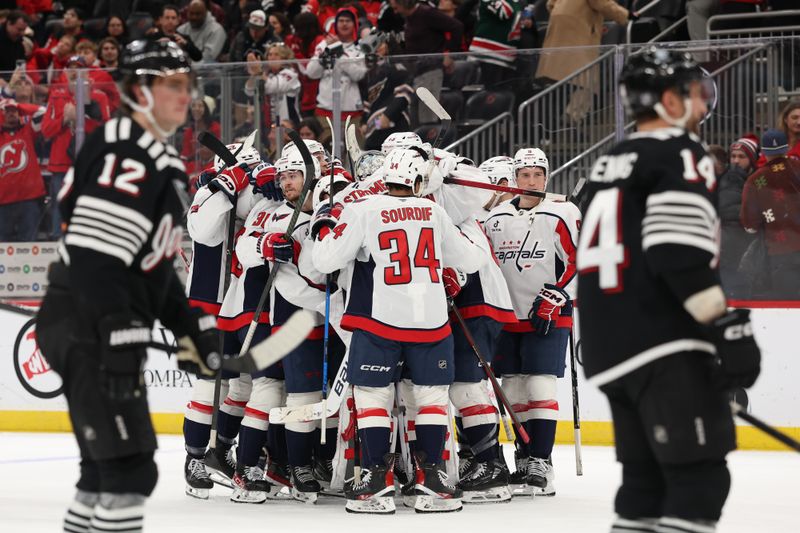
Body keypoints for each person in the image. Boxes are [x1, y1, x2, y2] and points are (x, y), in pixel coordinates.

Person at [35, 39, 222, 533]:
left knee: (103, 471)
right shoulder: (128, 149)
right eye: (172, 85)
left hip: (85, 319)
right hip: (87, 322)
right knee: (129, 467)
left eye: (188, 85)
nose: (186, 97)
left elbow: (152, 267)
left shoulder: (150, 154)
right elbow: (97, 254)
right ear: (140, 91)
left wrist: (191, 328)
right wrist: (116, 327)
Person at [577, 47, 761, 533]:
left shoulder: (609, 161)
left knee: (644, 487)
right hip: (663, 344)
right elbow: (677, 254)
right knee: (698, 483)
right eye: (693, 94)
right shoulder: (682, 153)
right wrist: (724, 327)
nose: (702, 106)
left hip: (608, 349)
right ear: (667, 101)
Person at [312, 147, 487, 514]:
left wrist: (324, 225)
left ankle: (377, 480)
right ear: (418, 180)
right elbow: (472, 259)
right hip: (431, 323)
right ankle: (433, 480)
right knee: (430, 400)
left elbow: (324, 260)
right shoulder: (435, 211)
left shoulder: (363, 210)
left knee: (374, 399)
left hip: (380, 322)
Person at [484, 147, 580, 497]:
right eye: (524, 175)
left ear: (547, 176)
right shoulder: (495, 220)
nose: (531, 181)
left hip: (549, 315)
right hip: (508, 317)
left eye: (538, 174)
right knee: (513, 391)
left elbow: (578, 260)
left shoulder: (561, 214)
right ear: (515, 179)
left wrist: (557, 296)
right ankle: (523, 457)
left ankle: (542, 461)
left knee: (540, 387)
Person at [741, 129, 800, 298]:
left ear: (763, 152)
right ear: (787, 147)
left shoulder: (756, 180)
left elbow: (749, 223)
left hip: (781, 252)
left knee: (787, 307)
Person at [390, 0, 463, 125]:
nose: (394, 10)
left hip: (431, 71)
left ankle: (430, 142)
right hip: (415, 74)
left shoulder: (427, 13)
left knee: (428, 118)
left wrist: (450, 54)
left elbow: (457, 26)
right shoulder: (408, 18)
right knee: (415, 119)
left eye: (396, 6)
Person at [306, 6, 367, 143]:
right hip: (325, 109)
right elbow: (311, 72)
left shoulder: (361, 47)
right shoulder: (324, 44)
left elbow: (358, 74)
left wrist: (338, 51)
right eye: (341, 21)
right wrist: (326, 53)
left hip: (352, 110)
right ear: (335, 24)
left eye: (348, 21)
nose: (344, 24)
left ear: (355, 24)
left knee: (353, 153)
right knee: (325, 151)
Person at [0, 98, 46, 241]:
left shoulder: (28, 130)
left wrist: (19, 106)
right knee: (2, 245)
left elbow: (42, 112)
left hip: (29, 200)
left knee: (29, 243)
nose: (11, 113)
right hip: (3, 201)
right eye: (6, 111)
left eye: (13, 110)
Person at [718, 135, 758, 297]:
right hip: (728, 245)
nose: (735, 161)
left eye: (741, 157)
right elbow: (726, 209)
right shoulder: (728, 179)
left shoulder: (757, 180)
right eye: (733, 156)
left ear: (752, 160)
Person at [177, 0, 227, 65]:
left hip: (209, 71)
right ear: (187, 13)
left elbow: (207, 58)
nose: (194, 17)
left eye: (198, 14)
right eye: (191, 13)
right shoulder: (181, 30)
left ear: (206, 13)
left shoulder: (217, 30)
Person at [0, 10, 28, 81]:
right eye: (19, 29)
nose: (22, 33)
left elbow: (21, 68)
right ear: (9, 23)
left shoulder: (19, 43)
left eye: (24, 30)